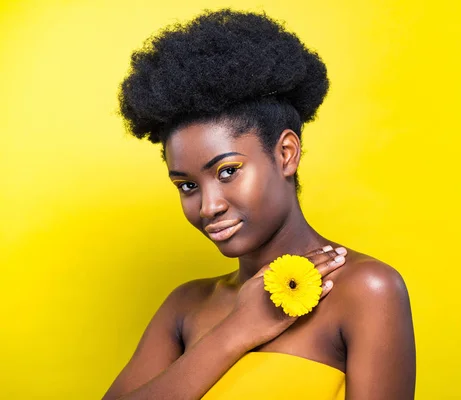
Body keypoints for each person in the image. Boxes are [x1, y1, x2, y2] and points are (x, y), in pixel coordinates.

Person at [103, 9, 415, 400]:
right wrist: (239, 328)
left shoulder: (365, 290)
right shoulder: (186, 305)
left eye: (228, 171)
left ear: (285, 153)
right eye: (186, 186)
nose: (207, 207)